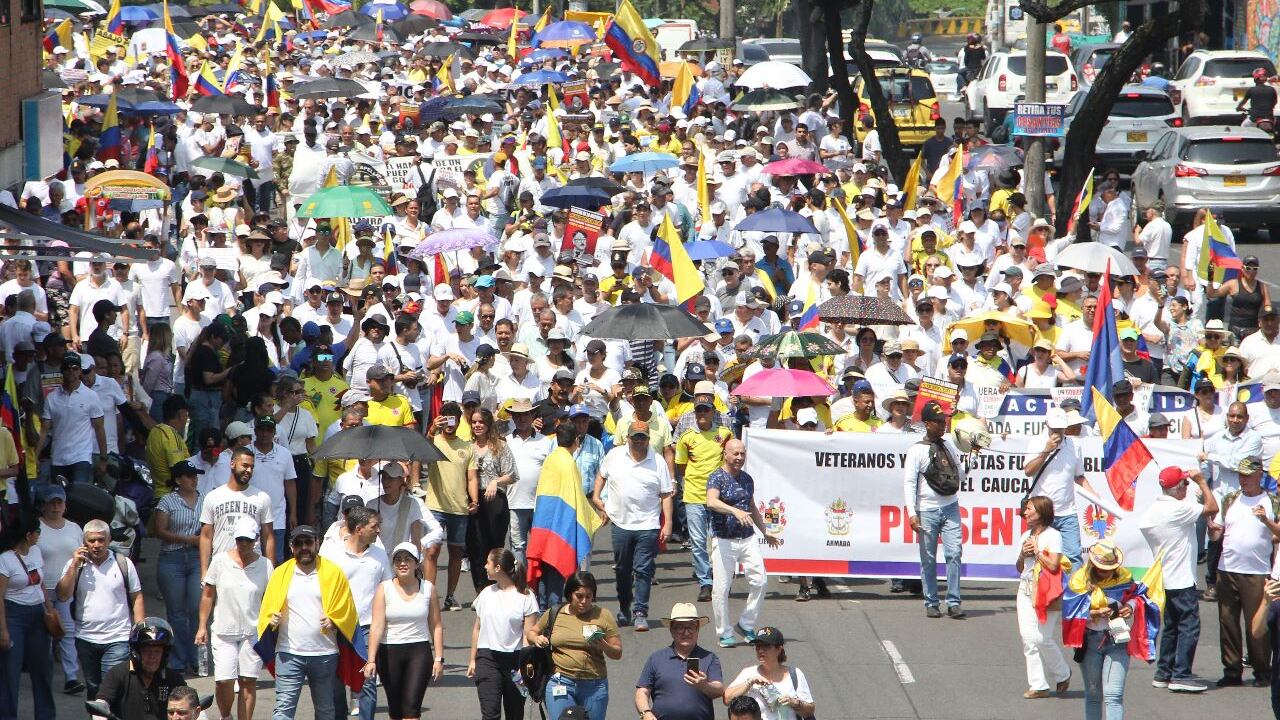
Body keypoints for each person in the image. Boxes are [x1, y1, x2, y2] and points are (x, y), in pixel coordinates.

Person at [256, 525, 360, 720]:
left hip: (325, 655)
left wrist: (335, 621)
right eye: (298, 543)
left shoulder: (334, 572)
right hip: (288, 654)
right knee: (283, 710)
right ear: (291, 547)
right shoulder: (280, 574)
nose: (304, 547)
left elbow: (348, 609)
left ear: (317, 544)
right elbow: (266, 610)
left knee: (325, 711)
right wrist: (271, 619)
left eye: (308, 542)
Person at [1140, 466, 1218, 693]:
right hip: (1181, 578)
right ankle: (1181, 673)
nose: (1187, 486)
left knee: (1172, 627)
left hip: (1166, 578)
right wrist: (1202, 481)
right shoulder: (1176, 510)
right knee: (1189, 626)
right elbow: (1212, 507)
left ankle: (1164, 672)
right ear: (1176, 489)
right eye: (1185, 483)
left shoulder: (1156, 509)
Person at [592, 419, 674, 631]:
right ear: (627, 438)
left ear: (648, 439)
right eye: (635, 437)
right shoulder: (614, 455)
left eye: (643, 437)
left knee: (643, 569)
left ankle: (640, 612)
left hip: (648, 524)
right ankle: (624, 607)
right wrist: (596, 497)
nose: (639, 441)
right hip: (620, 522)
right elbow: (601, 476)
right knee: (622, 569)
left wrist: (668, 524)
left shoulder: (658, 462)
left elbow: (666, 495)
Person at [57, 518, 145, 701]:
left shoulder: (123, 563)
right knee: (94, 690)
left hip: (118, 638)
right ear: (84, 542)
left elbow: (136, 596)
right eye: (91, 540)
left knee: (110, 690)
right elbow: (63, 595)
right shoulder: (75, 565)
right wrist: (74, 565)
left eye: (101, 540)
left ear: (109, 540)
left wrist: (140, 630)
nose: (96, 545)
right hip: (85, 638)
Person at [1210, 455, 1278, 688]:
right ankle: (1231, 670)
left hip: (1257, 571)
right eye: (1241, 475)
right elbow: (1217, 533)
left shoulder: (1272, 501)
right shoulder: (1230, 499)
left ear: (1260, 475)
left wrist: (1266, 521)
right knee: (1227, 622)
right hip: (1227, 569)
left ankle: (1262, 671)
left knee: (1257, 624)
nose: (1244, 479)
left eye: (1248, 475)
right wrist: (1212, 531)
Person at [196, 516, 273, 720]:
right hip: (223, 630)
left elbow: (272, 598)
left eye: (248, 540)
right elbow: (208, 594)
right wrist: (202, 626)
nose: (244, 544)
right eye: (240, 539)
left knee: (248, 680)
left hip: (253, 632)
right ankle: (225, 716)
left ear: (256, 539)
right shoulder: (220, 561)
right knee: (224, 680)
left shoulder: (266, 566)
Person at [319, 505, 391, 720]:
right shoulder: (331, 553)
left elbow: (387, 588)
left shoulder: (379, 554)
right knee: (336, 682)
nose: (378, 530)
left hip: (367, 627)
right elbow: (319, 587)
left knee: (367, 681)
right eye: (374, 526)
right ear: (359, 529)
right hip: (337, 626)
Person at [707, 439, 780, 648]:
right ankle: (724, 632)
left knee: (760, 581)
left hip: (747, 538)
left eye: (742, 454)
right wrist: (733, 511)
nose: (739, 458)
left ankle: (746, 624)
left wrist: (766, 532)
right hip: (723, 539)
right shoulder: (716, 477)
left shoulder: (747, 479)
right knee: (721, 588)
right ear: (725, 454)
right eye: (735, 454)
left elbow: (751, 506)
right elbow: (711, 501)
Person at [525, 571, 622, 720]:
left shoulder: (603, 615)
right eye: (579, 596)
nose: (584, 601)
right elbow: (532, 632)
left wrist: (603, 645)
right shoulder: (555, 613)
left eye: (588, 597)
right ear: (570, 594)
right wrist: (537, 638)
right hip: (560, 681)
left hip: (593, 685)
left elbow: (617, 653)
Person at [1063, 541, 1144, 720]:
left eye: (1109, 568)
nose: (1105, 572)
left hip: (1118, 639)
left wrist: (1130, 606)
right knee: (1093, 695)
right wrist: (1095, 613)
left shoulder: (1124, 577)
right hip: (1090, 640)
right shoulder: (1079, 580)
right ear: (1093, 564)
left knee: (1114, 695)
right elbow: (1070, 611)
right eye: (1101, 569)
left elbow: (1139, 595)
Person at [364, 541, 445, 720]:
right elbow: (376, 626)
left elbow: (436, 625)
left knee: (411, 708)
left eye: (408, 559)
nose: (403, 563)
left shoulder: (428, 588)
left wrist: (439, 658)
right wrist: (371, 660)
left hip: (419, 651)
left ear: (416, 563)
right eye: (398, 560)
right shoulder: (384, 588)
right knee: (396, 709)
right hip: (389, 651)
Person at [903, 401, 966, 618]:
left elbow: (961, 475)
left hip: (950, 507)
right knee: (928, 557)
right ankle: (931, 601)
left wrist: (973, 457)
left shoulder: (949, 446)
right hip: (927, 511)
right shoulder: (916, 450)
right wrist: (912, 513)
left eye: (945, 421)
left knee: (954, 553)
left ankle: (953, 601)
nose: (943, 425)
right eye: (939, 422)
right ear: (927, 423)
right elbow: (909, 483)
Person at [467, 548, 539, 720]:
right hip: (487, 659)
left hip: (515, 661)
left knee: (515, 715)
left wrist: (525, 666)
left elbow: (528, 635)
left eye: (488, 563)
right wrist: (472, 659)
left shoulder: (526, 597)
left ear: (498, 567)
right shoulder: (486, 593)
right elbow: (477, 628)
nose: (485, 566)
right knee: (490, 714)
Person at [675, 396, 733, 603]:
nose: (702, 414)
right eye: (698, 410)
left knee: (717, 540)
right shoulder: (686, 437)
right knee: (698, 542)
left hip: (717, 497)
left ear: (712, 412)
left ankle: (720, 578)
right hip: (693, 496)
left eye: (705, 410)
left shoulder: (724, 434)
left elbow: (732, 459)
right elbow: (681, 465)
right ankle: (705, 582)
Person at [1013, 496, 1071, 699]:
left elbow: (1054, 564)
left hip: (1047, 592)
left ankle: (1063, 673)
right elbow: (1019, 567)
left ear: (1041, 513)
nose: (1025, 513)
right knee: (1028, 639)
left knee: (1041, 638)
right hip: (1025, 589)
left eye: (1029, 509)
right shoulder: (1025, 536)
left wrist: (1037, 552)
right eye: (1025, 509)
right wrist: (1023, 553)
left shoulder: (1053, 535)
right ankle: (1038, 685)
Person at [0, 518, 56, 720]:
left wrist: (49, 609)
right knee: (10, 673)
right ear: (28, 535)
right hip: (13, 615)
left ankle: (46, 716)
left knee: (43, 670)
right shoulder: (5, 559)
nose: (39, 535)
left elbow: (40, 584)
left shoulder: (36, 552)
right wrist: (3, 629)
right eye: (37, 531)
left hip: (38, 615)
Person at [1023, 408, 1094, 567]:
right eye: (1054, 428)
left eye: (1060, 428)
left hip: (1067, 511)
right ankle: (1043, 591)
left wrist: (1095, 496)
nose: (1057, 432)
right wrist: (1046, 451)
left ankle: (1073, 592)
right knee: (1039, 554)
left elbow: (1079, 476)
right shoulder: (1036, 441)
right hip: (1041, 511)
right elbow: (1028, 471)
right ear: (1047, 425)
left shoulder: (1074, 444)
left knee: (1073, 556)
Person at [153, 460, 204, 674]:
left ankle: (195, 657)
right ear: (177, 480)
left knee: (195, 608)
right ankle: (178, 658)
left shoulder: (205, 500)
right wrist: (187, 539)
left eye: (195, 475)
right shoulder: (168, 501)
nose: (194, 479)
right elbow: (159, 530)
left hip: (196, 558)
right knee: (176, 612)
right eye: (188, 476)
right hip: (172, 557)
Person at [635, 602, 725, 720]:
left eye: (691, 627)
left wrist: (704, 685)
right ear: (671, 630)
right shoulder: (656, 658)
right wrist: (646, 713)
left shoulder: (709, 658)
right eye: (680, 627)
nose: (686, 632)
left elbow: (719, 689)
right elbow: (642, 691)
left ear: (698, 629)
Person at [425, 401, 475, 612]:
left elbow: (471, 477)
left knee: (456, 554)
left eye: (453, 417)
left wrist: (474, 500)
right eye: (446, 417)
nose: (449, 422)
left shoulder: (467, 446)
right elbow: (422, 449)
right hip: (435, 505)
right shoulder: (434, 441)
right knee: (432, 551)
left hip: (459, 509)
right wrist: (432, 429)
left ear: (459, 420)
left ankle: (450, 596)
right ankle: (428, 596)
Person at [36, 483, 84, 695]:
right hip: (40, 590)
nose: (56, 506)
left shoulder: (74, 528)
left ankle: (71, 677)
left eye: (60, 502)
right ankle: (43, 675)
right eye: (51, 502)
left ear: (65, 505)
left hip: (67, 588)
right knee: (44, 635)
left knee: (67, 632)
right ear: (43, 505)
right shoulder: (36, 528)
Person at [96, 617, 187, 720]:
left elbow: (191, 703)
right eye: (147, 651)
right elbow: (101, 704)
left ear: (164, 654)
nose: (152, 656)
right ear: (136, 653)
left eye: (157, 651)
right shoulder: (117, 674)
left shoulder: (173, 678)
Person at [466, 407, 516, 593]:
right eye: (474, 422)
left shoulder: (500, 446)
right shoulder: (467, 446)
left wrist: (495, 481)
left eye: (481, 422)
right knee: (475, 546)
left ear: (488, 424)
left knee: (494, 547)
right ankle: (480, 589)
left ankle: (498, 585)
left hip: (495, 501)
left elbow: (512, 474)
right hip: (473, 499)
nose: (477, 425)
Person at [723, 627, 815, 720]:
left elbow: (810, 711)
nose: (760, 650)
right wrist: (749, 683)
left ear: (779, 649)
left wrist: (794, 702)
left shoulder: (795, 674)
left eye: (766, 646)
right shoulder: (748, 673)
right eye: (758, 646)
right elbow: (727, 699)